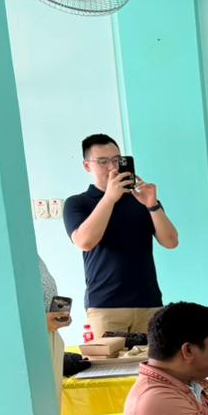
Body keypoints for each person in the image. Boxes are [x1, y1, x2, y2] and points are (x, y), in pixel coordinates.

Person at [63, 133, 179, 339]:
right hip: (105, 306)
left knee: (152, 369)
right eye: (103, 161)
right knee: (108, 369)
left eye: (117, 160)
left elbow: (171, 242)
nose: (112, 167)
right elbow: (85, 241)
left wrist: (152, 205)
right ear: (87, 166)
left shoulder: (140, 199)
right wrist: (109, 198)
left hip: (148, 303)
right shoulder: (77, 203)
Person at [40, 255, 71, 402]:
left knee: (50, 411)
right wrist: (38, 321)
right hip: (30, 338)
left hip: (49, 337)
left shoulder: (30, 253)